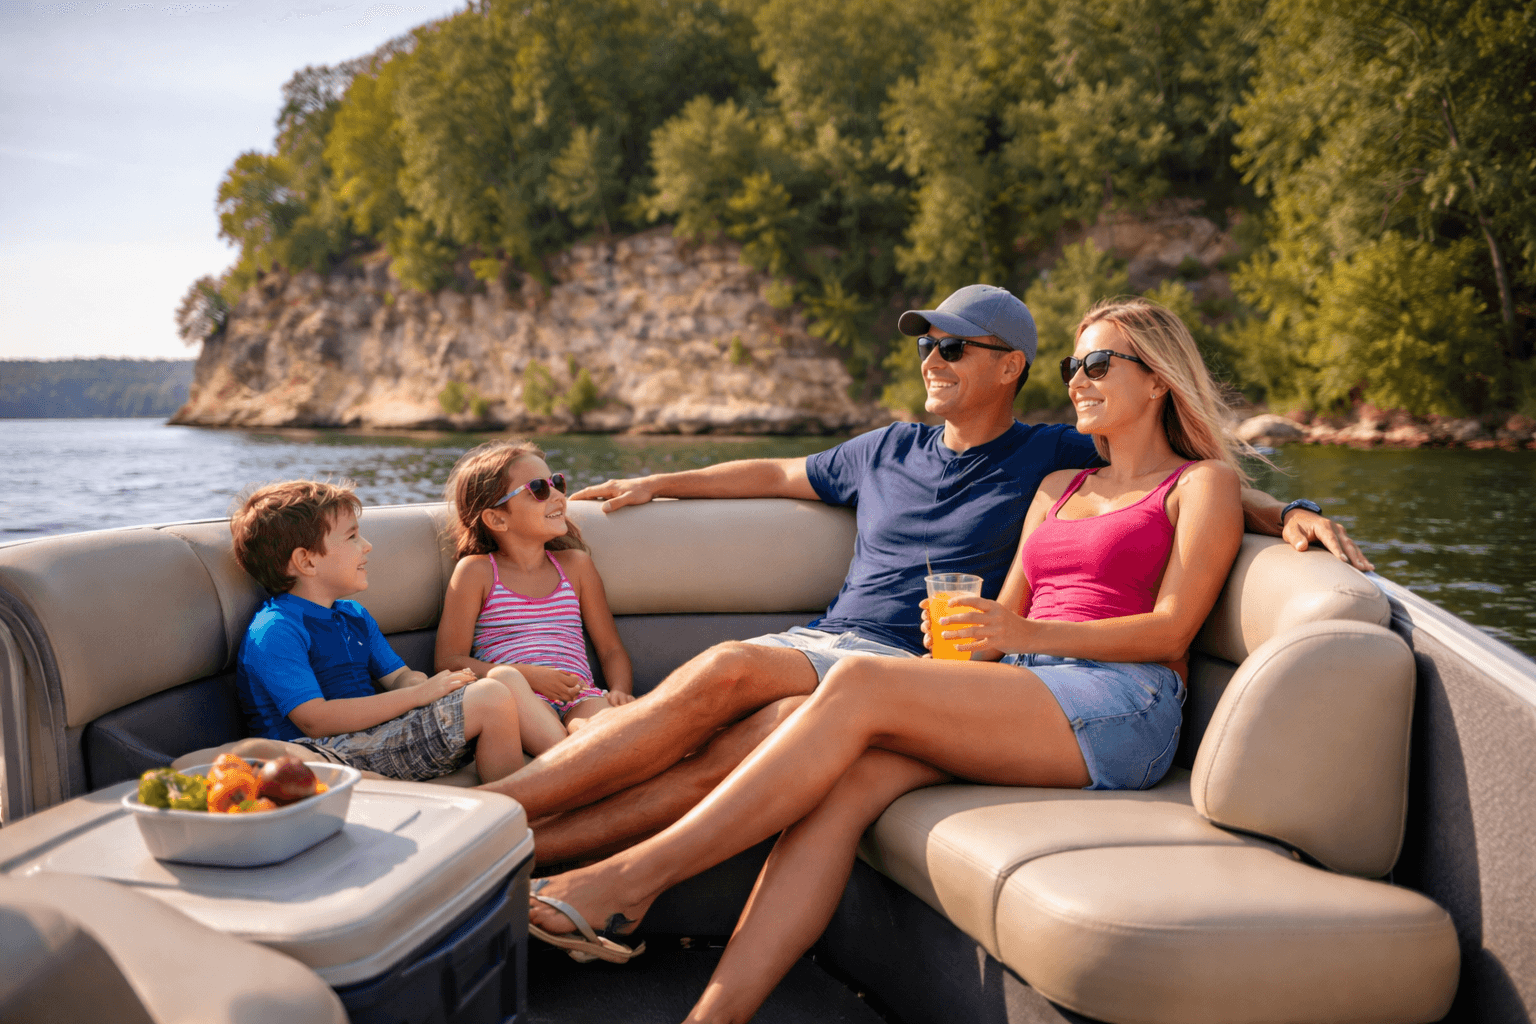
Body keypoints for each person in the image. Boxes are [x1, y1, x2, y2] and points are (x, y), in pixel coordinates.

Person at [525, 297, 1254, 1021]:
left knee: (862, 680)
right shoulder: (1058, 487)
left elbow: (1167, 632)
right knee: (848, 787)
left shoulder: (1200, 485)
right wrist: (983, 643)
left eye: (1098, 363)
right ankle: (713, 1017)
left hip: (1123, 704)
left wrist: (1297, 514)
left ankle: (628, 882)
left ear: (1158, 379)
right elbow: (1005, 614)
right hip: (1030, 687)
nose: (1078, 380)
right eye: (1075, 365)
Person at [482, 284, 1371, 863]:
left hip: (905, 664)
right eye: (926, 346)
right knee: (721, 728)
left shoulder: (1052, 455)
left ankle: (493, 825)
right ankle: (514, 841)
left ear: (1010, 367)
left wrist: (1286, 512)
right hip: (829, 646)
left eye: (954, 348)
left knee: (728, 680)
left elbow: (1171, 470)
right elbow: (775, 474)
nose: (931, 361)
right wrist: (658, 482)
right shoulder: (884, 448)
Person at [229, 480, 524, 783]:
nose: (366, 545)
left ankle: (532, 789)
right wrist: (417, 695)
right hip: (323, 755)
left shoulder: (353, 615)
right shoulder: (275, 629)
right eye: (352, 536)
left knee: (504, 683)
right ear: (306, 561)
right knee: (490, 698)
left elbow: (397, 676)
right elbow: (314, 720)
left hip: (375, 738)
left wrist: (424, 683)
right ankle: (523, 802)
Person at [436, 441, 635, 756]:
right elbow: (448, 662)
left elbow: (610, 649)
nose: (558, 495)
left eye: (556, 482)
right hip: (517, 697)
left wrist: (620, 692)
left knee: (608, 733)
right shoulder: (476, 573)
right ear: (498, 519)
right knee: (570, 749)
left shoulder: (577, 565)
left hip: (580, 696)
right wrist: (529, 676)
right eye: (539, 489)